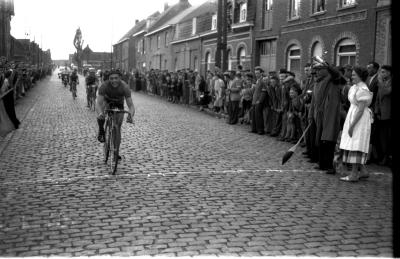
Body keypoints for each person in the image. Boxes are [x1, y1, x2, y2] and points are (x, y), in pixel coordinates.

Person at [339, 66, 373, 182]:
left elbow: (360, 110)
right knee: (352, 142)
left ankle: (354, 174)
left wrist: (352, 125)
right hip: (352, 114)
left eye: (354, 75)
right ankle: (363, 171)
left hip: (359, 118)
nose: (351, 76)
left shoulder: (363, 89)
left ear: (360, 76)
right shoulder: (355, 87)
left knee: (356, 143)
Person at [309, 61, 343, 173]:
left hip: (330, 114)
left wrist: (329, 67)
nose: (317, 72)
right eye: (316, 70)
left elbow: (337, 74)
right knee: (320, 139)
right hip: (319, 115)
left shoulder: (332, 80)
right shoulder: (317, 82)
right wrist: (311, 114)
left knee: (328, 140)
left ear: (325, 70)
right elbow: (314, 101)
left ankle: (330, 165)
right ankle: (322, 163)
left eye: (319, 70)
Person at [96, 69, 135, 158]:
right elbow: (98, 103)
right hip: (107, 101)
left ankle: (116, 152)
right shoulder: (104, 86)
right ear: (108, 79)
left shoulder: (125, 87)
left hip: (119, 103)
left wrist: (131, 115)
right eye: (111, 78)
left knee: (117, 128)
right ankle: (101, 130)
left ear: (120, 78)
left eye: (116, 78)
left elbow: (131, 105)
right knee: (101, 113)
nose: (114, 80)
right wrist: (100, 113)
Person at [374, 65, 392, 166]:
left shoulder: (387, 82)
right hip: (380, 115)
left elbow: (387, 92)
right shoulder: (382, 83)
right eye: (381, 72)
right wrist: (377, 111)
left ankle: (387, 157)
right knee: (381, 137)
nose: (381, 74)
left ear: (389, 73)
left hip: (389, 115)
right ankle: (382, 157)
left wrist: (380, 82)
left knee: (387, 137)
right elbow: (377, 98)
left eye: (384, 72)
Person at [250, 66, 267, 135]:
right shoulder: (256, 81)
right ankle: (254, 129)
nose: (256, 75)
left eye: (258, 73)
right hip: (254, 100)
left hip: (258, 101)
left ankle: (260, 130)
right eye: (255, 73)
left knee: (258, 116)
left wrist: (260, 101)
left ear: (261, 73)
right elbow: (254, 92)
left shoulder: (263, 81)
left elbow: (264, 92)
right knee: (253, 115)